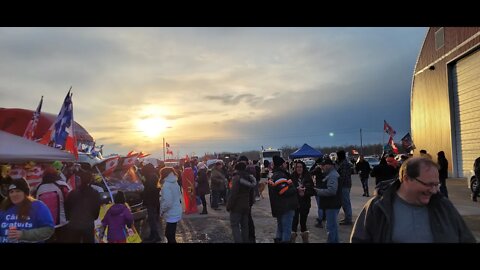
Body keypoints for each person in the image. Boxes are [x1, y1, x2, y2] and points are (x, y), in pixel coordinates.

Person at [351, 157, 476, 243]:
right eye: (428, 184)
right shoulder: (378, 207)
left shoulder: (443, 206)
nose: (434, 190)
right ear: (406, 179)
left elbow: (466, 238)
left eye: (436, 184)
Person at [0, 178, 55, 243]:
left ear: (25, 193)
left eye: (18, 191)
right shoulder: (4, 208)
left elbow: (48, 230)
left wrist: (23, 235)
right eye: (11, 192)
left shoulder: (38, 206)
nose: (14, 194)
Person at [34, 166, 72, 243]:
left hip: (45, 224)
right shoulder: (62, 185)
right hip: (62, 222)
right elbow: (71, 198)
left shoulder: (38, 187)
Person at [64, 169, 101, 243]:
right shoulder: (95, 193)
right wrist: (94, 217)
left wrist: (69, 218)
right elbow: (96, 208)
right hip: (88, 224)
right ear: (91, 180)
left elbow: (66, 206)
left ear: (80, 180)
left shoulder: (73, 193)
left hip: (74, 224)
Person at [268, 156, 298, 243]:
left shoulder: (275, 174)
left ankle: (278, 240)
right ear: (281, 165)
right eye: (284, 163)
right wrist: (295, 189)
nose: (286, 164)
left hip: (279, 207)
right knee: (286, 229)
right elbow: (283, 191)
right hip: (286, 206)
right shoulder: (280, 175)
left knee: (280, 228)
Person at [314, 158, 342, 243]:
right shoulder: (330, 174)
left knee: (331, 227)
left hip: (332, 205)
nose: (322, 167)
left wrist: (318, 191)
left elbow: (332, 191)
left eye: (323, 165)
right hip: (331, 204)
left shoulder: (332, 175)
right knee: (333, 227)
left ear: (329, 165)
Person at [227, 162, 255, 243]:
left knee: (235, 226)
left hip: (236, 206)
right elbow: (252, 193)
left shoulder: (236, 178)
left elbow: (233, 194)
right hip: (246, 205)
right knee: (245, 227)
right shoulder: (249, 178)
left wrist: (229, 206)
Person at [290, 160, 315, 243]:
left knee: (303, 222)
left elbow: (312, 191)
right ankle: (292, 240)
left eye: (300, 167)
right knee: (294, 222)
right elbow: (289, 190)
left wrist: (305, 192)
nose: (299, 168)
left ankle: (305, 240)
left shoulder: (308, 176)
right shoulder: (292, 176)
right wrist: (297, 190)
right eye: (297, 167)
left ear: (303, 168)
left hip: (305, 203)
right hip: (295, 203)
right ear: (295, 168)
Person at [160, 167, 182, 243]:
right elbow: (179, 195)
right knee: (170, 235)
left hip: (171, 212)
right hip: (176, 210)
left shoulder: (166, 185)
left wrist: (162, 210)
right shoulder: (174, 182)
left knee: (169, 235)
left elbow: (168, 202)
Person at [142, 163, 162, 242]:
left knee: (152, 219)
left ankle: (156, 236)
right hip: (152, 201)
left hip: (151, 201)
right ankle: (152, 235)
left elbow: (150, 189)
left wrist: (143, 186)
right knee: (151, 219)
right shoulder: (152, 176)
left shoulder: (152, 177)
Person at [336, 150, 353, 225]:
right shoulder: (343, 163)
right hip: (345, 185)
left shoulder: (344, 164)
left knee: (346, 202)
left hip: (344, 185)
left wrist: (339, 185)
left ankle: (348, 219)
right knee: (344, 202)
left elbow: (343, 176)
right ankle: (347, 218)